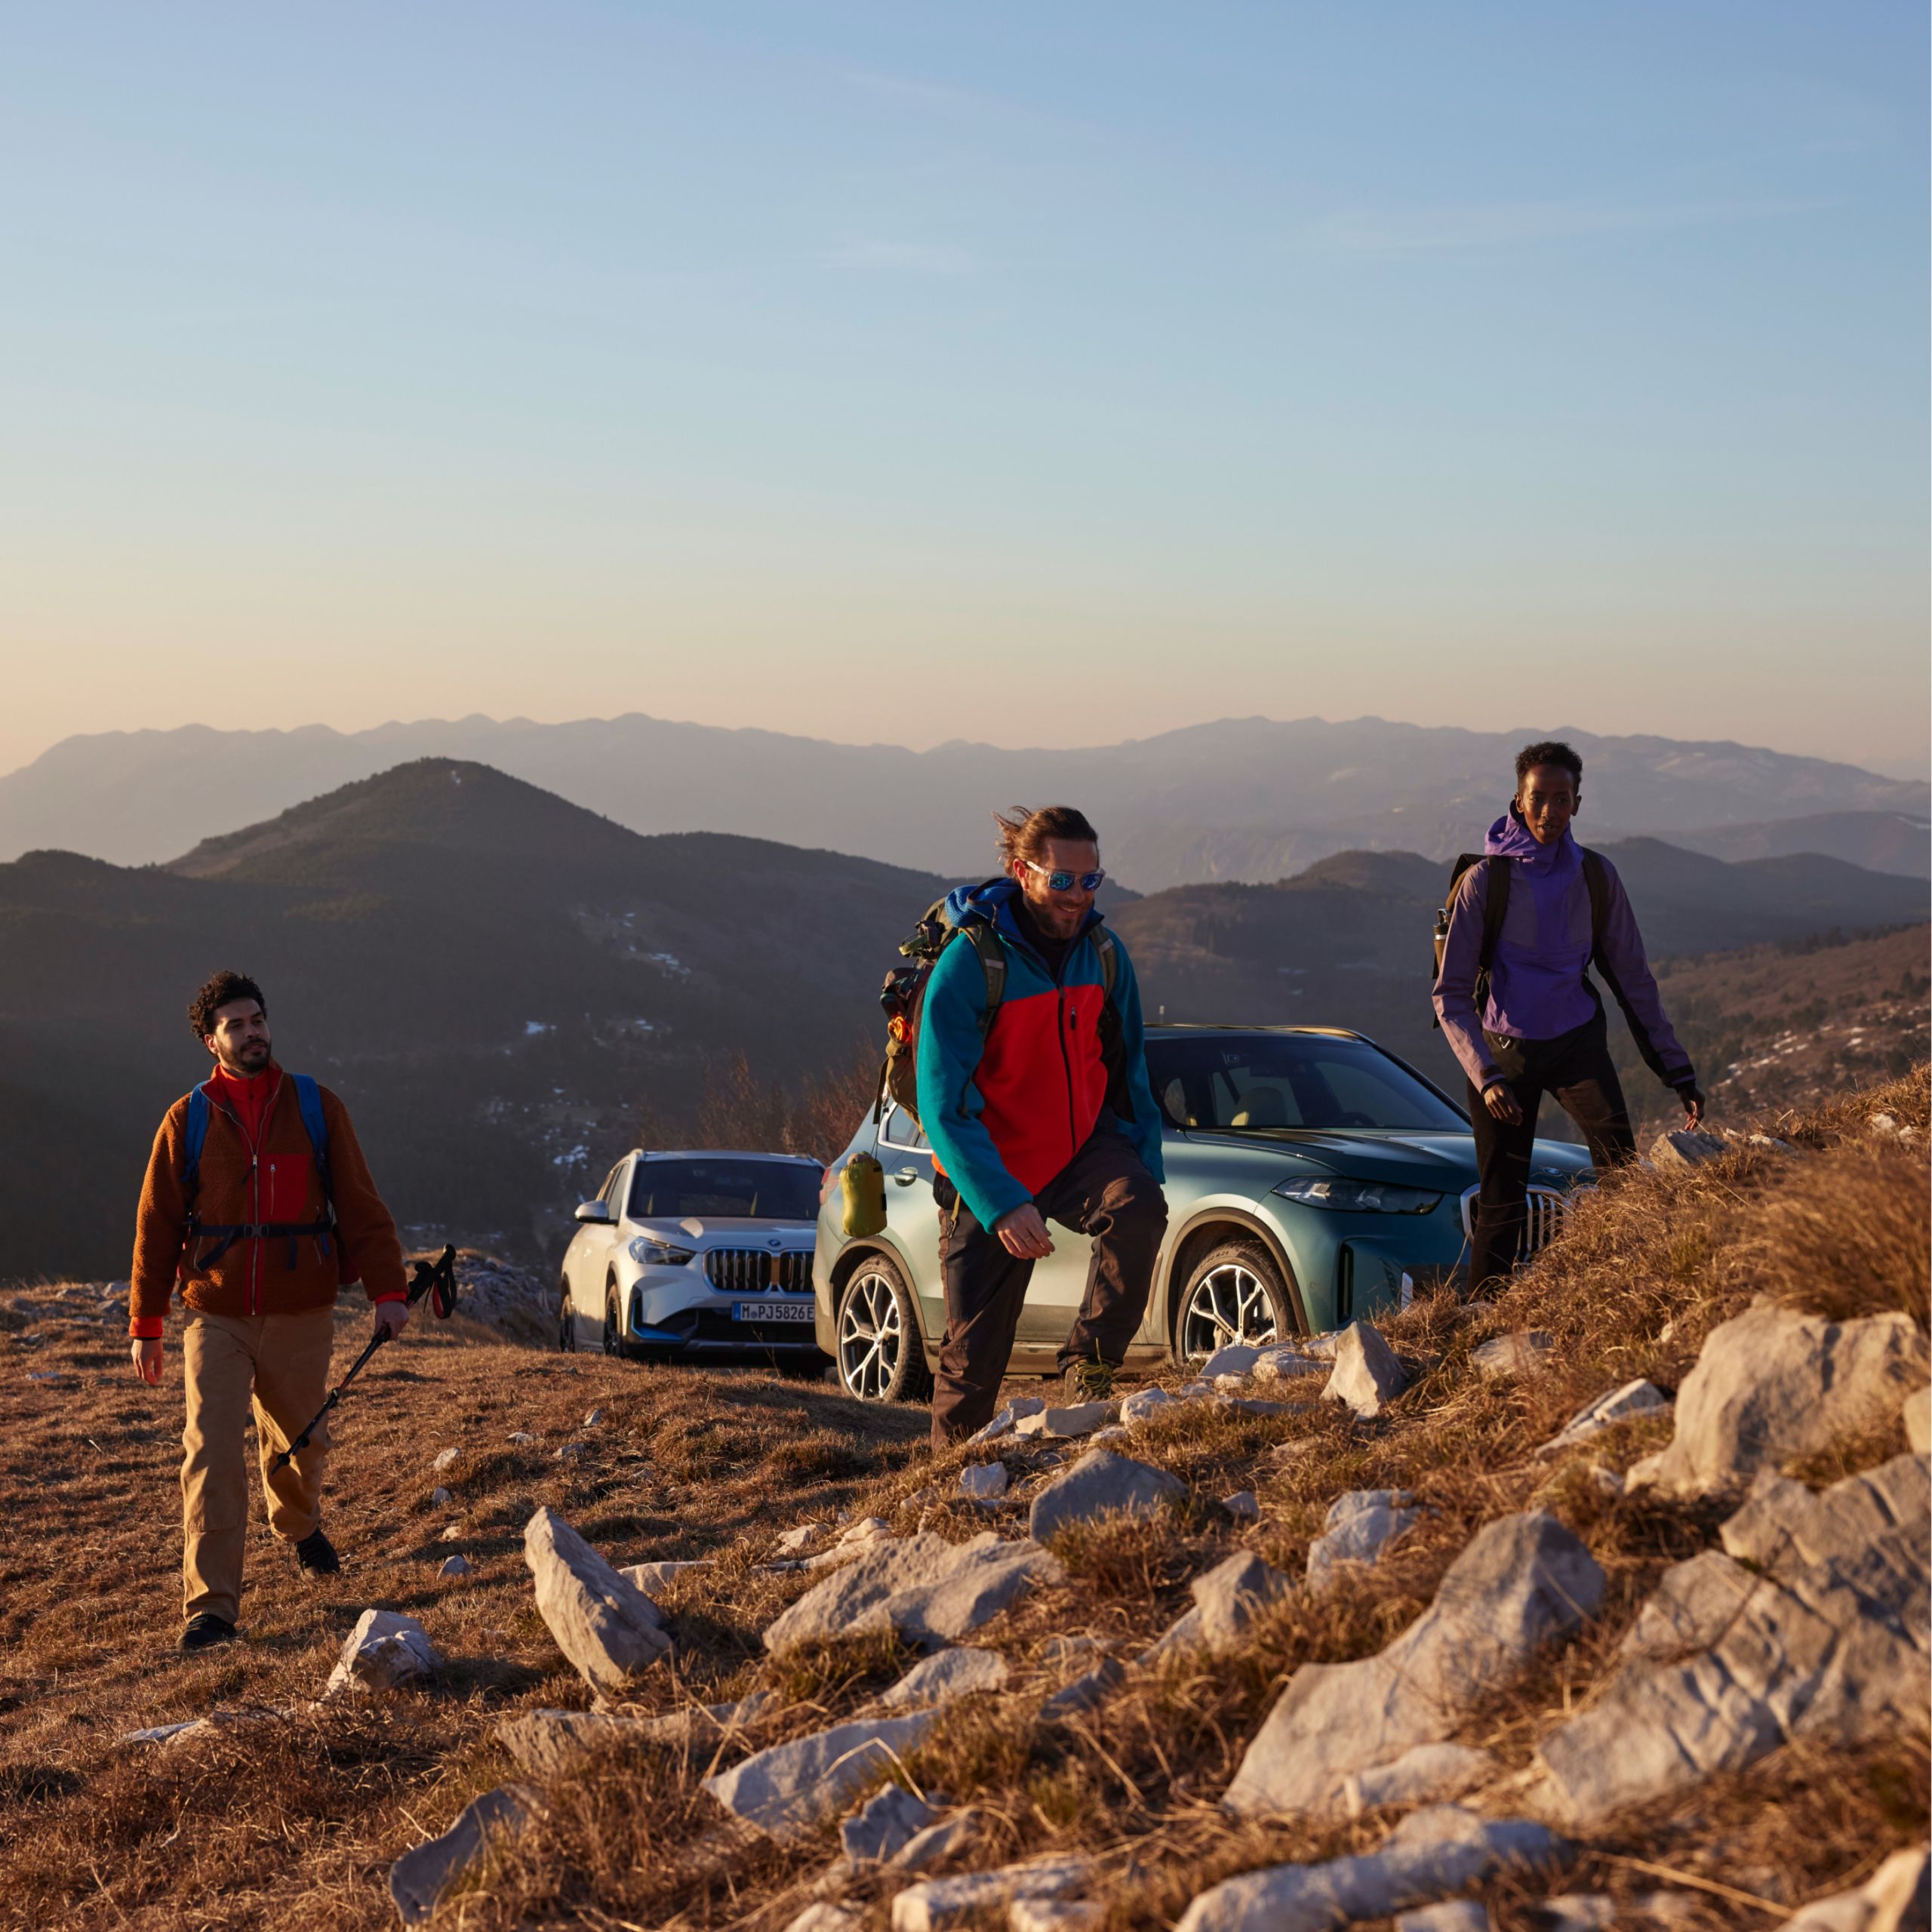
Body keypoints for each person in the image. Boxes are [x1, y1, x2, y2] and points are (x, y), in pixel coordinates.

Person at [128, 971, 411, 1651]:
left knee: (299, 1442)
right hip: (214, 1312)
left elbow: (361, 1206)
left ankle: (299, 1523)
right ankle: (212, 1608)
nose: (253, 1032)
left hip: (301, 1310)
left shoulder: (316, 1107)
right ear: (211, 1040)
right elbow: (157, 1224)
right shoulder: (187, 1118)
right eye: (237, 1024)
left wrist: (389, 1291)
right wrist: (147, 1323)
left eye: (258, 1020)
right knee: (210, 1452)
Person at [915, 805, 1168, 1444]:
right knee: (972, 1365)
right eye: (1062, 881)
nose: (1078, 897)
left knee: (1136, 1205)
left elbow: (1130, 1076)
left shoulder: (1105, 957)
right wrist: (1001, 1204)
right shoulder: (971, 964)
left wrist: (1147, 1175)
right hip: (990, 1170)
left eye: (1091, 881)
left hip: (1080, 1150)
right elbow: (943, 1106)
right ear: (1020, 872)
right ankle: (943, 1491)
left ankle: (1090, 1367)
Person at [1432, 740, 1704, 1294]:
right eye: (1539, 798)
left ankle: (1638, 1286)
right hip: (1503, 1054)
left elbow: (1634, 981)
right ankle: (1483, 1322)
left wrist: (1678, 1072)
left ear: (1579, 803)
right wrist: (1485, 1077)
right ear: (1518, 798)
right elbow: (1451, 995)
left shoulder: (1597, 878)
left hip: (1576, 1042)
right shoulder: (1486, 882)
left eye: (1562, 799)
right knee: (1503, 1199)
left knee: (1622, 1172)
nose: (1550, 812)